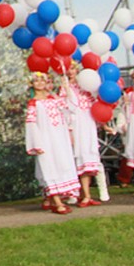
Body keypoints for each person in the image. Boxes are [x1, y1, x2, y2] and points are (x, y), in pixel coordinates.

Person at [25, 71, 80, 213]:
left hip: (59, 138)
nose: (40, 83)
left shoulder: (54, 99)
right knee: (49, 167)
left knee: (61, 164)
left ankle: (49, 199)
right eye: (36, 81)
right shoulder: (33, 103)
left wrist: (66, 88)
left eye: (42, 80)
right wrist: (36, 143)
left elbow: (72, 107)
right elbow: (31, 124)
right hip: (45, 139)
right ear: (32, 84)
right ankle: (57, 202)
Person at [61, 66, 103, 207]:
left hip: (88, 126)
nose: (71, 72)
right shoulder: (65, 89)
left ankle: (90, 194)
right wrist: (69, 129)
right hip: (76, 127)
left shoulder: (86, 87)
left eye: (73, 69)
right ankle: (78, 194)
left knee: (89, 160)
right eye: (68, 69)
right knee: (78, 160)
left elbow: (95, 106)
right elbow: (68, 109)